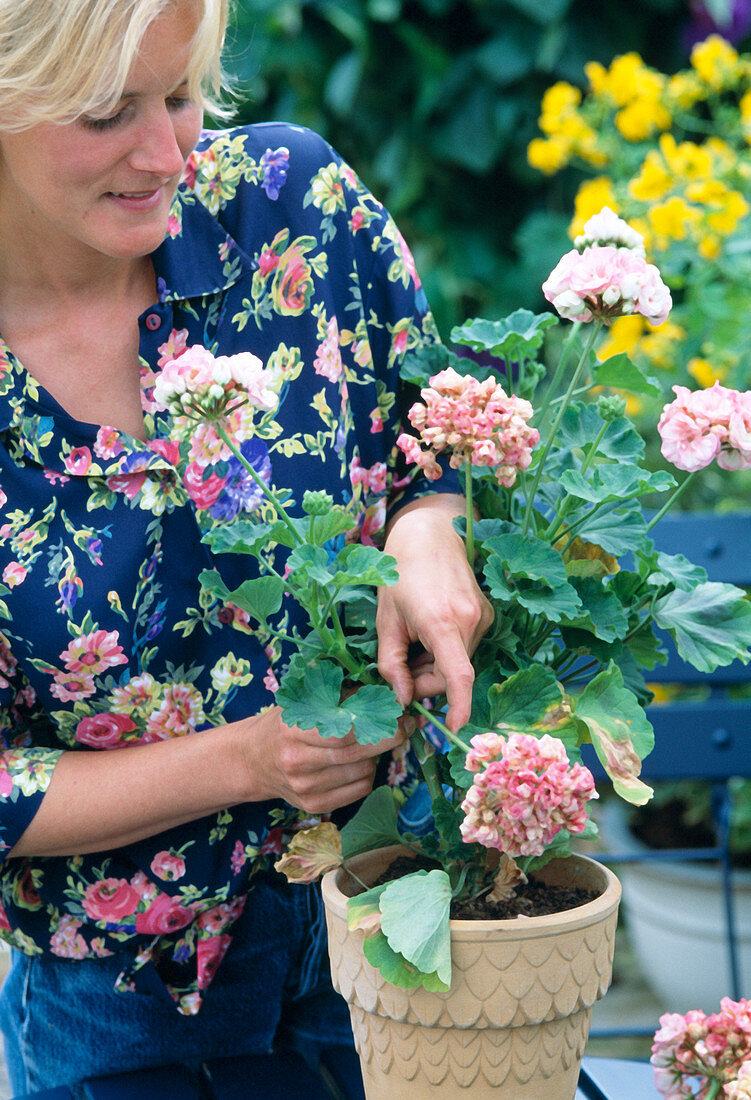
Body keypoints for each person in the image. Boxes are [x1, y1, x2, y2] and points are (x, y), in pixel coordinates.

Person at [0, 0, 492, 1093]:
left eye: (180, 94)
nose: (168, 152)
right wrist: (247, 759)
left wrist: (426, 536)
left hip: (399, 908)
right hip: (125, 1009)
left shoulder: (292, 205)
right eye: (104, 112)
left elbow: (430, 440)